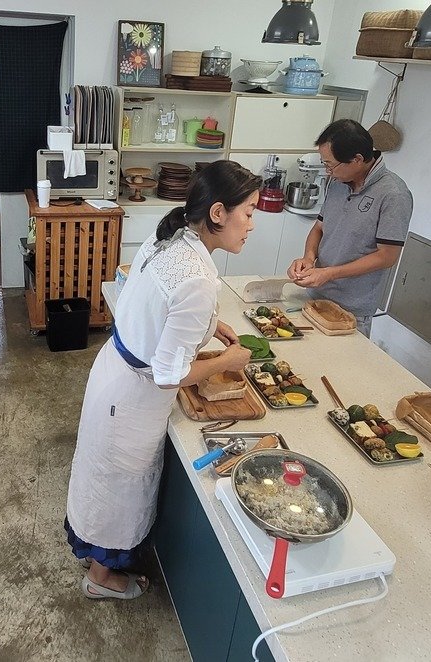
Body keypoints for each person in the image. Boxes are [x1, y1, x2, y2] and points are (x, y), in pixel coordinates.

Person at [65, 160, 263, 600]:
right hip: (134, 396)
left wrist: (210, 328)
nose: (252, 224)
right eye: (248, 212)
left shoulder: (170, 240)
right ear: (217, 213)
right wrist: (226, 359)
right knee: (119, 490)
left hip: (113, 375)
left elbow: (160, 311)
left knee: (102, 479)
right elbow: (171, 374)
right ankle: (101, 580)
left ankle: (93, 556)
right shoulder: (197, 280)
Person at [287, 119, 412, 335]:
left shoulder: (393, 195)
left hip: (352, 311)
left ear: (357, 160)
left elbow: (387, 256)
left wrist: (329, 273)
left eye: (330, 165)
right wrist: (308, 258)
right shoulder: (336, 183)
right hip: (316, 297)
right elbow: (319, 228)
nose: (327, 171)